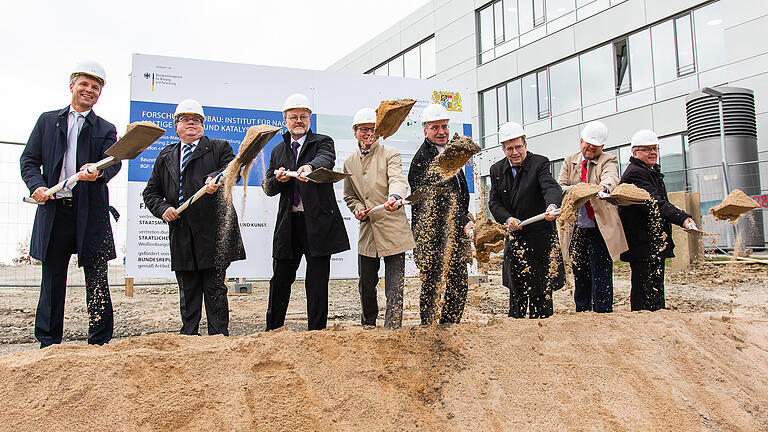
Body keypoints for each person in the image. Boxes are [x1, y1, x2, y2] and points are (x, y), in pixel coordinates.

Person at [20, 61, 119, 347]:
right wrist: (37, 186)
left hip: (91, 213)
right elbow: (28, 160)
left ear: (100, 93)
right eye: (84, 84)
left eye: (95, 87)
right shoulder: (47, 121)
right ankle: (48, 343)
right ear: (72, 86)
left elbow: (114, 162)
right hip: (55, 211)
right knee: (52, 279)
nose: (89, 90)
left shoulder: (105, 128)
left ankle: (99, 341)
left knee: (98, 280)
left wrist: (98, 171)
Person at [142, 99, 245, 336]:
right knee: (188, 290)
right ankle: (188, 337)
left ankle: (218, 338)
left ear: (203, 125)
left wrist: (216, 178)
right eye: (185, 119)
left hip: (213, 230)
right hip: (182, 231)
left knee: (215, 288)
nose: (191, 123)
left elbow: (232, 171)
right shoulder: (166, 154)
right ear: (176, 125)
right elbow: (151, 191)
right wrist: (162, 208)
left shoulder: (219, 147)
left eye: (196, 119)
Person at [262, 93, 350, 331]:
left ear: (310, 118)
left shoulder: (323, 141)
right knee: (280, 279)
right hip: (289, 224)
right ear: (285, 120)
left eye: (303, 116)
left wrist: (309, 166)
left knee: (317, 281)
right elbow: (269, 188)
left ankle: (317, 333)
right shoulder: (278, 151)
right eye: (293, 117)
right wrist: (279, 179)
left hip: (318, 224)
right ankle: (273, 330)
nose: (298, 121)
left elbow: (326, 160)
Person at [343, 107, 415, 329]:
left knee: (394, 286)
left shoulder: (390, 153)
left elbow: (397, 178)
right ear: (355, 132)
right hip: (367, 233)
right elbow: (349, 196)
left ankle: (393, 328)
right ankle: (368, 324)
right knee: (366, 284)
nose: (368, 134)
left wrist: (395, 196)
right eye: (363, 129)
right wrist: (356, 209)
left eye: (372, 129)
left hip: (393, 229)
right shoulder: (349, 163)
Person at [488, 122, 564, 319]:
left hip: (540, 238)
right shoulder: (497, 170)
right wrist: (508, 219)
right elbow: (494, 203)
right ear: (503, 149)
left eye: (518, 147)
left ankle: (543, 329)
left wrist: (552, 206)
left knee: (541, 294)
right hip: (515, 239)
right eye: (510, 148)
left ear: (525, 145)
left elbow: (550, 187)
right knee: (517, 291)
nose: (515, 152)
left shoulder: (539, 163)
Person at [408, 103, 473, 325]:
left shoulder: (450, 154)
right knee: (432, 282)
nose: (442, 131)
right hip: (431, 233)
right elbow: (441, 198)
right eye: (435, 127)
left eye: (444, 126)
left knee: (458, 280)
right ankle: (428, 327)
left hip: (454, 229)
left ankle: (450, 325)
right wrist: (463, 220)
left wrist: (465, 215)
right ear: (425, 130)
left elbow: (458, 192)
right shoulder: (421, 160)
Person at [619, 129, 694, 311]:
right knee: (644, 285)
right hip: (642, 240)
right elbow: (655, 203)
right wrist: (683, 218)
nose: (653, 153)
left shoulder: (650, 171)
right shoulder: (636, 173)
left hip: (651, 239)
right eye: (647, 149)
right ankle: (644, 321)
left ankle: (657, 317)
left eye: (655, 149)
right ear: (635, 152)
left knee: (655, 283)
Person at [557, 121, 628, 313]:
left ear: (602, 147)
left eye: (595, 147)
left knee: (601, 274)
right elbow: (560, 187)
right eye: (587, 145)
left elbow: (611, 178)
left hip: (599, 229)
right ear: (581, 142)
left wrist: (602, 189)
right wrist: (580, 191)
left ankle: (603, 312)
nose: (590, 149)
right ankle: (582, 311)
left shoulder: (608, 160)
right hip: (577, 228)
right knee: (580, 274)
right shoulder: (569, 161)